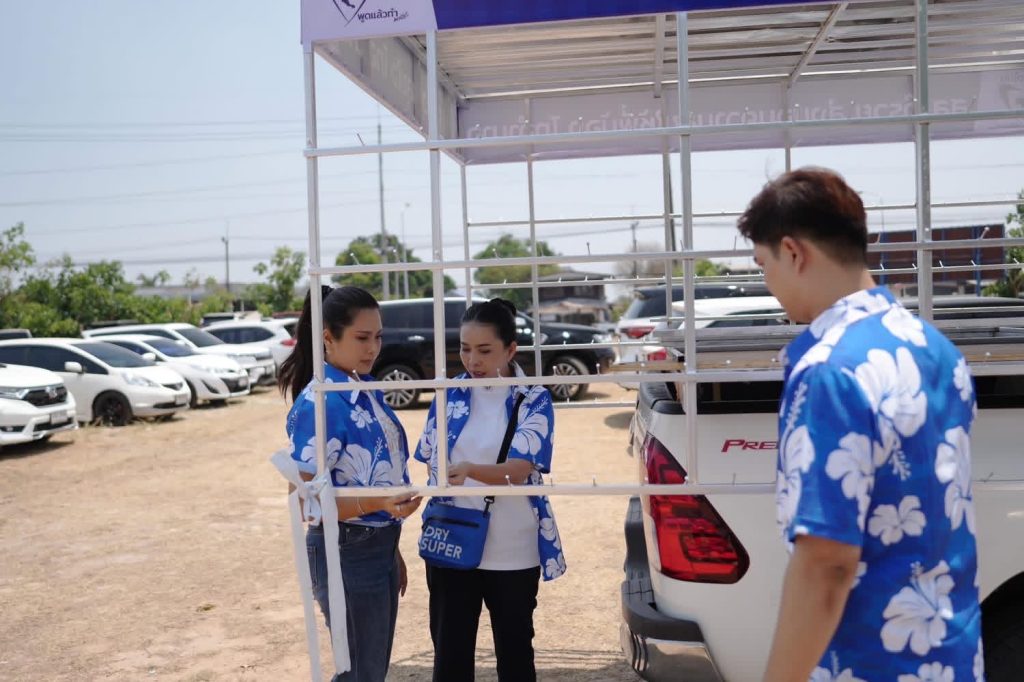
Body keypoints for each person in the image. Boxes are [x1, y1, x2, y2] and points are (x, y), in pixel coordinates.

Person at [737, 169, 983, 681]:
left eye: (764, 264)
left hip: (868, 662)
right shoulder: (935, 349)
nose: (768, 283)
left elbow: (826, 564)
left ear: (793, 252)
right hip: (950, 658)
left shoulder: (830, 371)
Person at [414, 298, 566, 682]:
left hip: (513, 547)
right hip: (452, 542)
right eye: (465, 349)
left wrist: (469, 470)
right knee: (450, 657)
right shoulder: (448, 394)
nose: (472, 360)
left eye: (484, 350)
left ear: (511, 350)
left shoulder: (532, 398)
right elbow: (429, 456)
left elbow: (519, 469)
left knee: (515, 657)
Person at [278, 285, 422, 682]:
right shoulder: (322, 402)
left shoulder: (362, 388)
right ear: (328, 337)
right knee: (360, 672)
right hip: (346, 548)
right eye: (362, 337)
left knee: (367, 669)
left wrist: (390, 545)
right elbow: (305, 503)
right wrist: (378, 506)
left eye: (378, 336)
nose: (373, 348)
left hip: (373, 544)